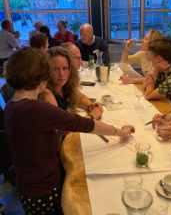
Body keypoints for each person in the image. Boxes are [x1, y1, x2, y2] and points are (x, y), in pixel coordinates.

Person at [4, 47, 135, 215]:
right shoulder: (37, 109)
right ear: (40, 77)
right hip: (43, 189)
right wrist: (121, 132)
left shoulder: (12, 105)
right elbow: (82, 124)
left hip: (28, 185)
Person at [41, 46, 103, 119]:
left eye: (65, 68)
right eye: (55, 69)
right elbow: (60, 124)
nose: (61, 74)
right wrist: (92, 116)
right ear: (47, 71)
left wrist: (91, 106)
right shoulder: (47, 93)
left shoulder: (65, 86)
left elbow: (80, 98)